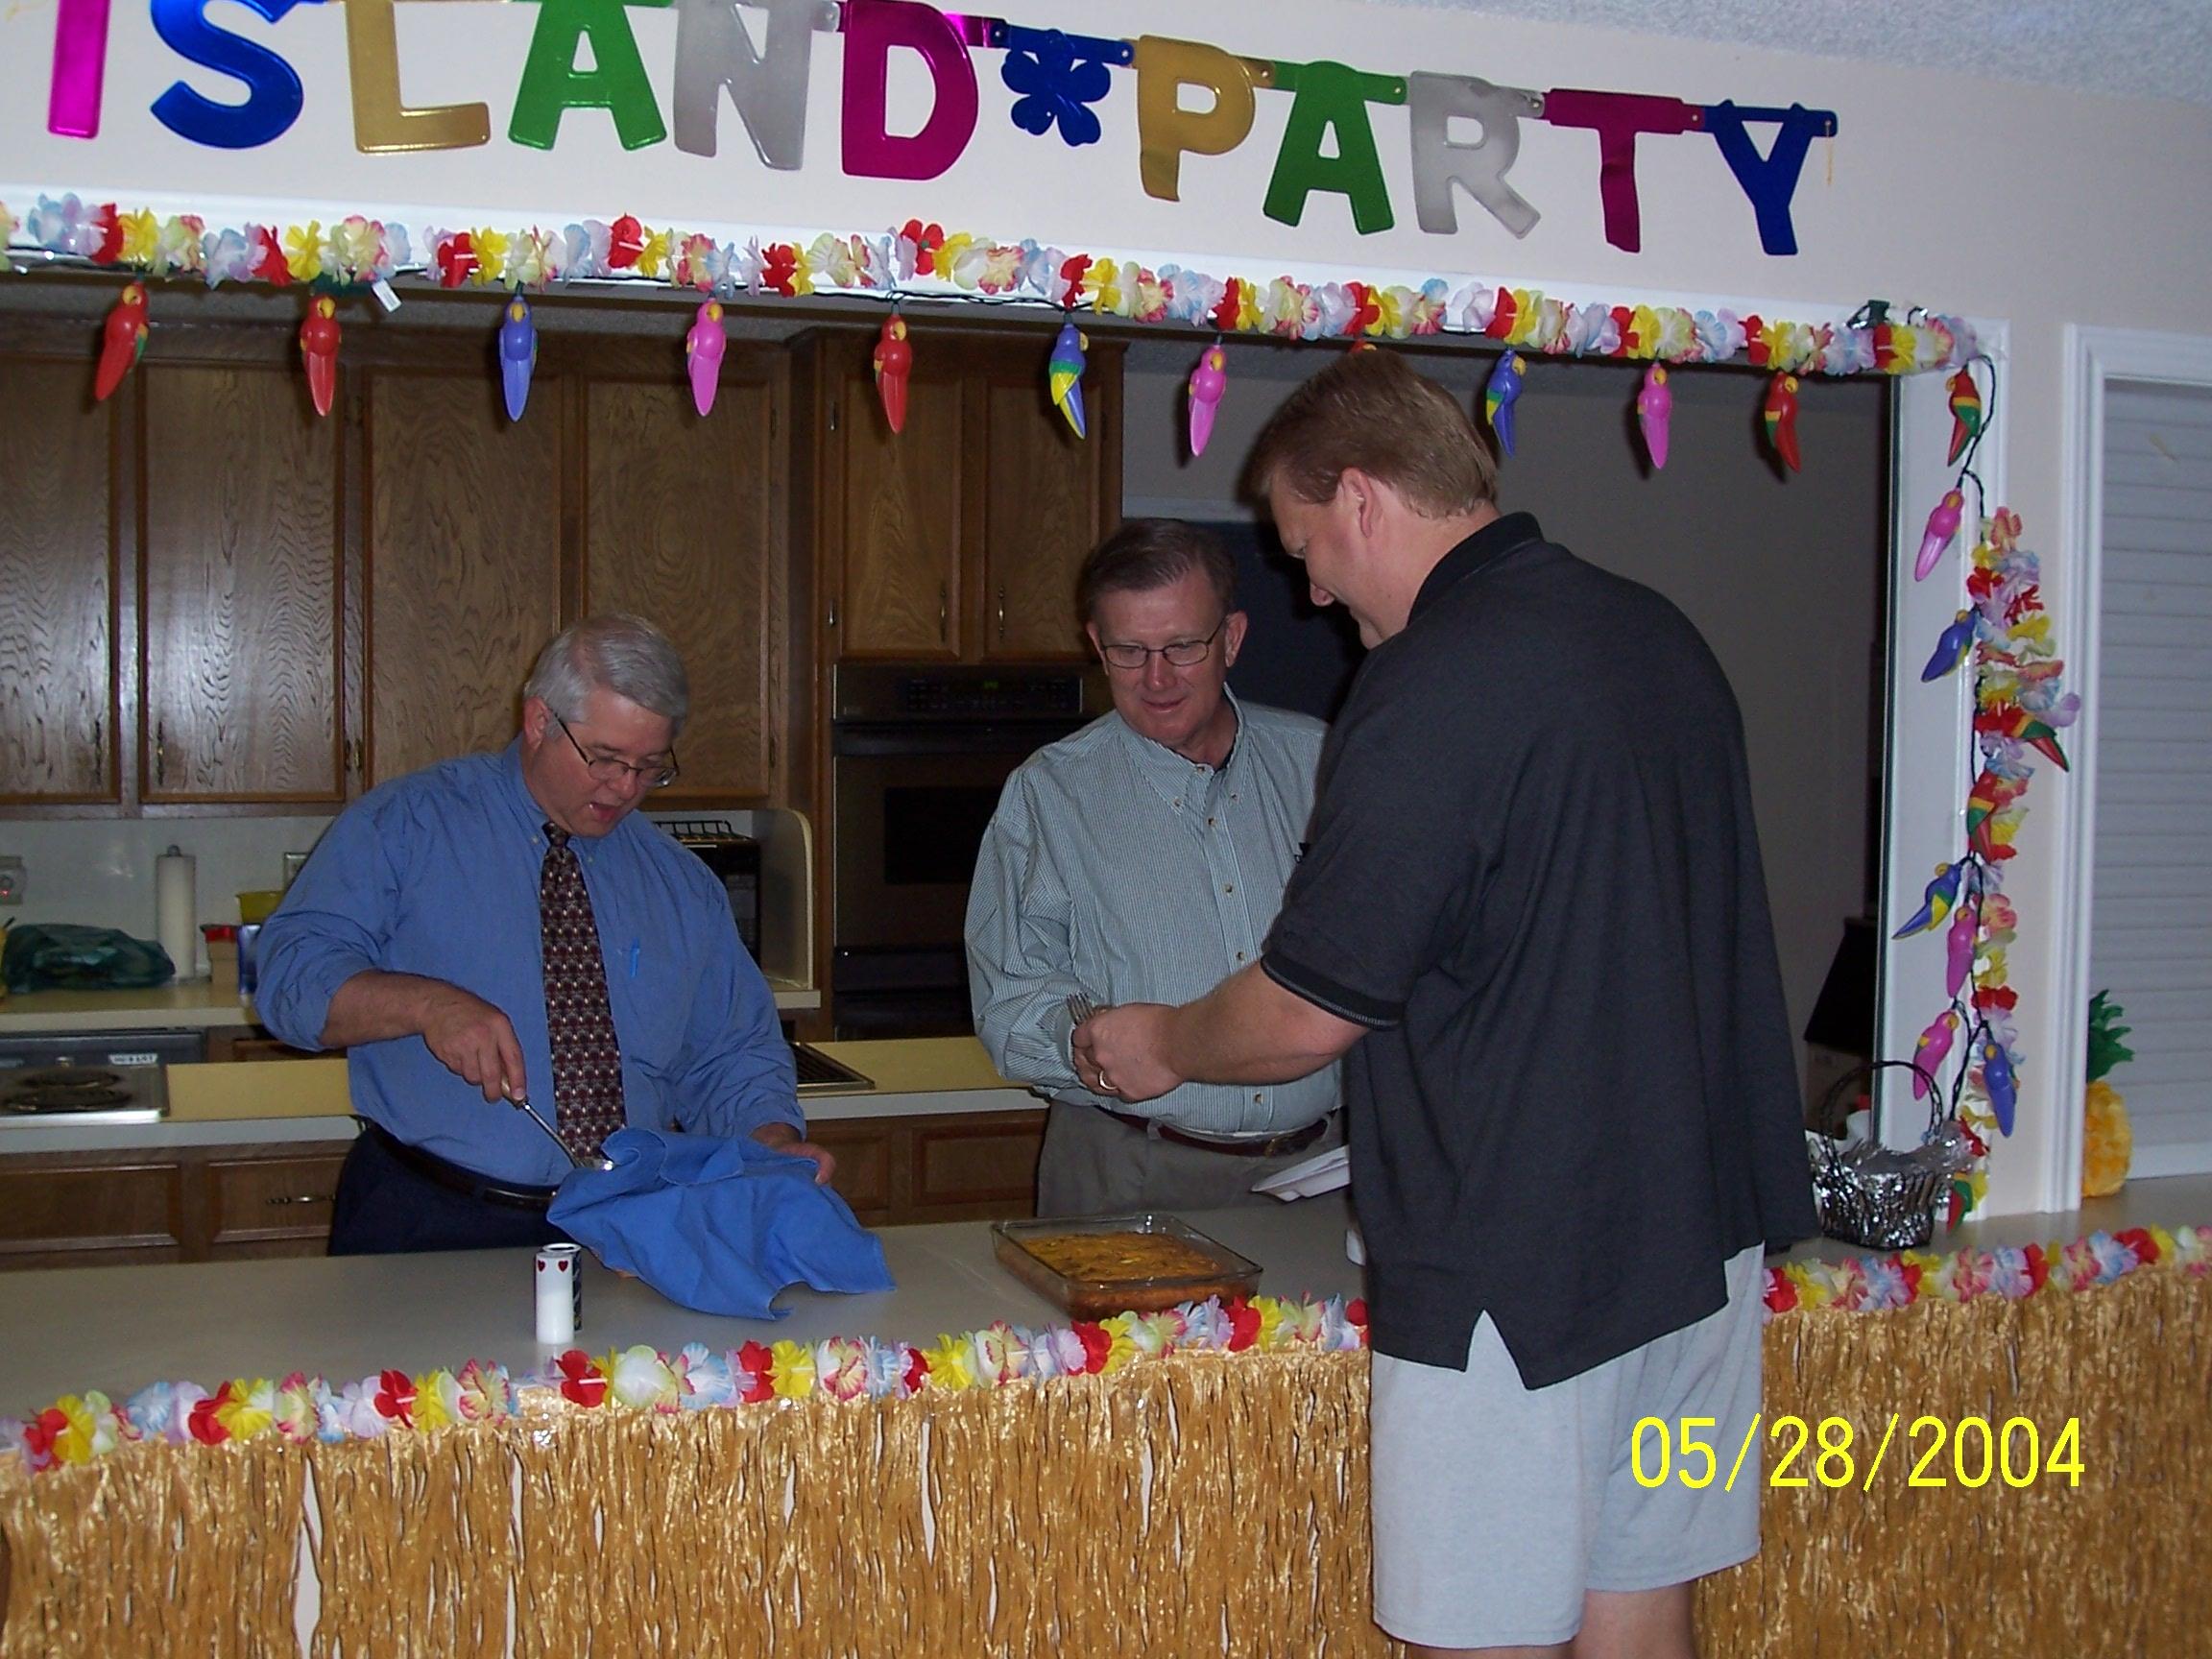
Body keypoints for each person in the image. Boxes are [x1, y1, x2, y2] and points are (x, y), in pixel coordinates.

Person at [1073, 354, 1817, 1659]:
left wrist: (1162, 1040)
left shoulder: (1432, 685)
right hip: (1698, 1248)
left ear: (1361, 499)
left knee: (1472, 1638)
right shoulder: (1658, 637)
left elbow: (1311, 1007)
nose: (1308, 585)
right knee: (1640, 1613)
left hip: (1516, 1274)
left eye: (1304, 545)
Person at [256, 613, 834, 1256]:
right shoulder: (405, 826)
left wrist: (773, 1141)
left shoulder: (681, 886)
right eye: (606, 759)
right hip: (428, 1220)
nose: (624, 788)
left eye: (649, 768)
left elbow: (732, 1053)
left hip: (624, 1230)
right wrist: (426, 1004)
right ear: (539, 721)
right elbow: (286, 980)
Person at [965, 517, 1337, 1216]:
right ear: (1095, 647)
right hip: (1124, 1170)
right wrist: (1093, 1048)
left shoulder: (1323, 764)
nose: (1156, 678)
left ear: (1231, 638)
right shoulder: (1049, 792)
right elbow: (1010, 1002)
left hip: (1319, 1179)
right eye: (1129, 651)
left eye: (1181, 647)